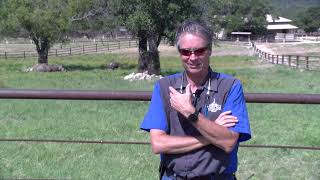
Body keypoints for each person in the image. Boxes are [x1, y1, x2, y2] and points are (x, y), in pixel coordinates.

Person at [140, 20, 251, 180]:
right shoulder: (165, 87)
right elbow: (159, 144)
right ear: (179, 53)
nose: (192, 57)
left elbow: (228, 142)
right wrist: (212, 134)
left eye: (199, 51)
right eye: (186, 52)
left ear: (210, 50)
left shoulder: (230, 86)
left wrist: (189, 111)